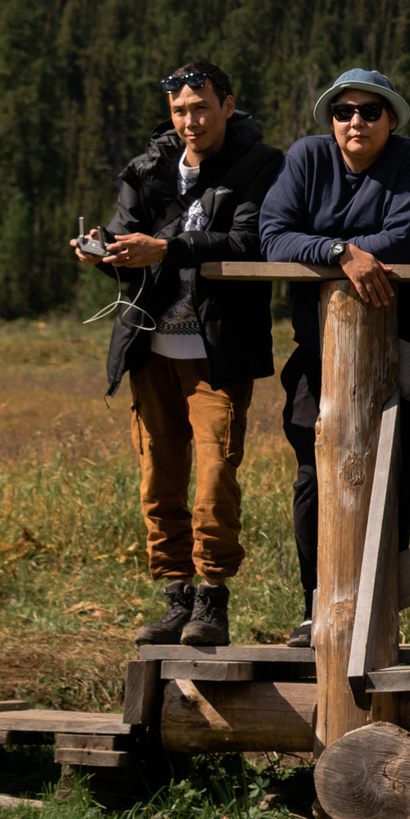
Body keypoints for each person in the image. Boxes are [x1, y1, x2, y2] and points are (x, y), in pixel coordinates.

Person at [84, 61, 286, 650]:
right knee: (158, 479)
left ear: (227, 104)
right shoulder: (146, 169)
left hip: (217, 352)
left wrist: (165, 247)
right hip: (151, 349)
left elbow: (251, 239)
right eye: (180, 111)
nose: (191, 120)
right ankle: (175, 597)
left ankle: (212, 600)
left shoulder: (260, 165)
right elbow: (128, 237)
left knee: (216, 478)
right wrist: (103, 252)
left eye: (201, 107)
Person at [259, 67, 410, 648]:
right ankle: (319, 603)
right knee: (315, 476)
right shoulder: (308, 157)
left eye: (369, 111)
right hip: (316, 354)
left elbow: (407, 237)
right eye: (343, 111)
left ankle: (378, 607)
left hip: (399, 352)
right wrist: (342, 252)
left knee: (393, 477)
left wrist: (337, 252)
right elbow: (272, 234)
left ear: (391, 119)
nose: (355, 121)